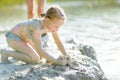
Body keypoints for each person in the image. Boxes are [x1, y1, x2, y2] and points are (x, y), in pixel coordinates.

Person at [0, 5, 68, 65]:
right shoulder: (36, 26)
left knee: (40, 57)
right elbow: (39, 49)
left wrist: (66, 55)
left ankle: (20, 52)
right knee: (35, 59)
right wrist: (55, 61)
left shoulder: (51, 27)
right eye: (56, 26)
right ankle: (5, 53)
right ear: (47, 20)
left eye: (59, 27)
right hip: (13, 38)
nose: (57, 29)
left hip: (23, 40)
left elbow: (58, 42)